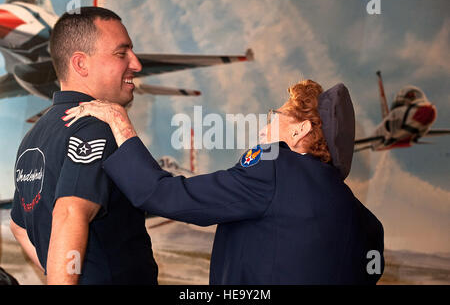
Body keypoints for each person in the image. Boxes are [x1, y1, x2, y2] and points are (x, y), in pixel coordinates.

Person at [64, 80, 385, 284]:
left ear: (300, 130)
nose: (265, 126)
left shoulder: (274, 166)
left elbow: (163, 194)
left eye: (276, 114)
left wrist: (120, 123)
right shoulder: (368, 224)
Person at [10, 7, 158, 284]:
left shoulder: (33, 138)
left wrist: (55, 271)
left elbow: (18, 227)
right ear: (81, 64)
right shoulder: (95, 127)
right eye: (121, 53)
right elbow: (69, 213)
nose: (136, 64)